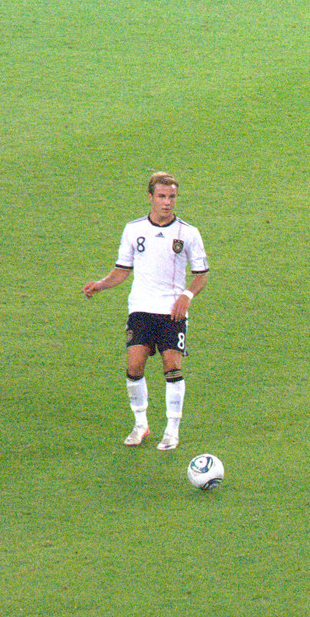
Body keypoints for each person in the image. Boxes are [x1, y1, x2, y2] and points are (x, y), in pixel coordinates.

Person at [82, 172, 210, 450]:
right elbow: (122, 269)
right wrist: (101, 285)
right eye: (162, 196)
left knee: (172, 367)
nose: (167, 202)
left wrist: (187, 296)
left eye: (172, 197)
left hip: (172, 311)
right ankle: (141, 425)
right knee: (134, 365)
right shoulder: (133, 229)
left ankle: (171, 430)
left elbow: (201, 273)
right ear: (150, 197)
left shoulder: (188, 233)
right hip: (140, 307)